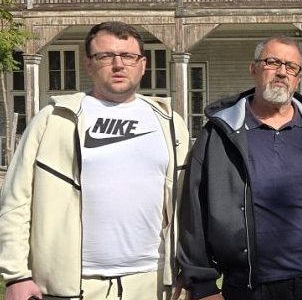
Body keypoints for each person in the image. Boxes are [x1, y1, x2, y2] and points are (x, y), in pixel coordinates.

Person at [0, 21, 189, 300]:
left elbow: (187, 202)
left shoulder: (170, 122)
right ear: (88, 63)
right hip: (72, 284)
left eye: (128, 56)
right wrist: (17, 274)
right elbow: (16, 199)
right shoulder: (54, 119)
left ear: (143, 64)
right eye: (105, 56)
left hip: (151, 281)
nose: (118, 64)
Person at [178, 36, 302, 300]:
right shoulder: (219, 135)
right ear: (253, 69)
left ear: (298, 78)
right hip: (250, 288)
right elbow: (194, 211)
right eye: (272, 62)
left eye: (291, 67)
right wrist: (202, 286)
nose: (282, 72)